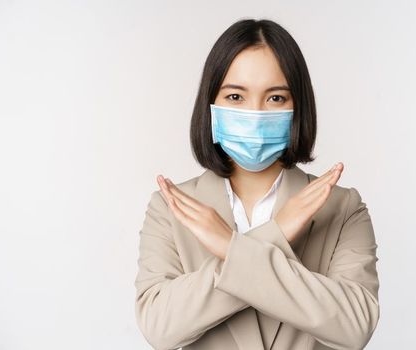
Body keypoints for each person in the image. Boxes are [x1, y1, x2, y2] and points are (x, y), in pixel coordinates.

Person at [133, 18, 380, 350]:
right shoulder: (170, 208)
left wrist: (229, 248)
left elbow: (354, 326)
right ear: (212, 105)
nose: (255, 113)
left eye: (275, 98)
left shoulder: (343, 208)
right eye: (236, 96)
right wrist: (275, 234)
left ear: (298, 107)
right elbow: (160, 328)